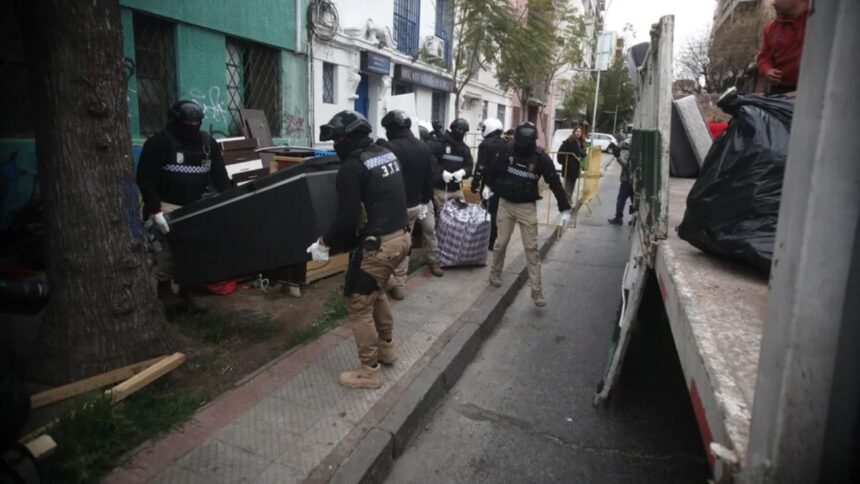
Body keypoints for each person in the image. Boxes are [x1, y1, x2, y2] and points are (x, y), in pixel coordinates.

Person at [306, 110, 411, 389]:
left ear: (349, 138)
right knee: (376, 294)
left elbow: (346, 218)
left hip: (379, 246)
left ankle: (369, 371)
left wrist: (325, 243)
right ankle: (387, 349)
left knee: (358, 304)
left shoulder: (352, 168)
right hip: (401, 238)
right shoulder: (385, 153)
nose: (336, 145)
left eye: (338, 139)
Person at [136, 100, 231, 309]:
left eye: (195, 124)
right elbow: (145, 178)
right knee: (165, 255)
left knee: (194, 253)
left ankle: (188, 291)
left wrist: (229, 203)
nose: (191, 129)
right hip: (165, 207)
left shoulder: (207, 145)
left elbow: (220, 179)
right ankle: (165, 291)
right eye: (187, 124)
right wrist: (154, 209)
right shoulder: (158, 144)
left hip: (196, 207)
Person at [484, 122, 572, 307]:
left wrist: (564, 209)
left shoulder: (541, 158)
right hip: (506, 204)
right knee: (500, 243)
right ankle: (495, 273)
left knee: (531, 249)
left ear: (532, 142)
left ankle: (536, 291)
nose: (522, 146)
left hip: (526, 207)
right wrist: (487, 187)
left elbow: (555, 182)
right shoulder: (507, 151)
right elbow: (494, 170)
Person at [377, 110, 444, 302]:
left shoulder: (390, 148)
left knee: (391, 248)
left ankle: (392, 284)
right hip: (418, 204)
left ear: (393, 128)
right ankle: (402, 282)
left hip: (397, 207)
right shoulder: (423, 147)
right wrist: (425, 200)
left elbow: (384, 180)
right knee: (413, 241)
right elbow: (428, 176)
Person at [471, 118, 509, 249]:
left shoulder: (485, 144)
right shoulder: (506, 143)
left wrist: (475, 182)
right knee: (499, 212)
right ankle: (497, 240)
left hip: (488, 183)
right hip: (503, 184)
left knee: (488, 211)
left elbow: (480, 166)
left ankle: (489, 241)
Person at [757, 0, 808, 95]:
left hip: (812, 86)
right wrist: (767, 70)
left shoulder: (817, 18)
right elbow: (763, 57)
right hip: (781, 90)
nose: (773, 3)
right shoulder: (770, 29)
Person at [431, 118, 473, 212]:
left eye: (464, 131)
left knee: (457, 221)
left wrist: (463, 172)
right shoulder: (440, 144)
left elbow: (469, 166)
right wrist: (442, 173)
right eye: (460, 130)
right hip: (440, 190)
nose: (461, 133)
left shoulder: (465, 149)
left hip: (457, 191)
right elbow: (431, 163)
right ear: (453, 129)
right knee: (441, 219)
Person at [557, 126, 586, 203]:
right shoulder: (569, 141)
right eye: (577, 131)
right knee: (567, 184)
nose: (578, 133)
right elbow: (561, 152)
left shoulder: (581, 142)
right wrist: (564, 162)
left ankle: (569, 198)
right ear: (574, 132)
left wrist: (583, 154)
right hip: (568, 167)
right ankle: (566, 199)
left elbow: (583, 153)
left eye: (580, 131)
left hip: (576, 167)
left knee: (572, 184)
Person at [607, 143, 632, 226]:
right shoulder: (634, 152)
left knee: (621, 200)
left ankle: (619, 218)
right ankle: (621, 217)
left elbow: (627, 166)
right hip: (630, 181)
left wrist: (618, 157)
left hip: (628, 181)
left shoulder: (634, 154)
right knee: (633, 201)